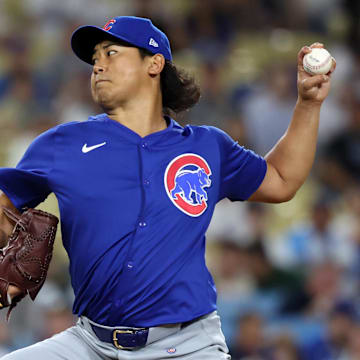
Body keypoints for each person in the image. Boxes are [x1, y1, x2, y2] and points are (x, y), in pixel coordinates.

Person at [0, 15, 335, 360]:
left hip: (187, 345)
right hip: (90, 343)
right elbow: (4, 202)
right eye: (95, 59)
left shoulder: (206, 146)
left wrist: (308, 104)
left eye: (111, 53)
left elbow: (281, 179)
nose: (98, 66)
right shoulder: (63, 144)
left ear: (154, 63)